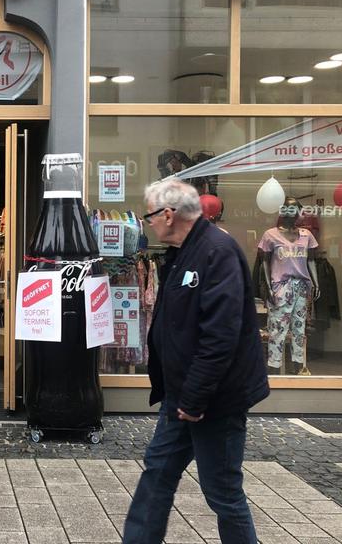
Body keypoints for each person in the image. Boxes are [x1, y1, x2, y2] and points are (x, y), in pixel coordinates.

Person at [122, 178, 269, 544]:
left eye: (149, 215)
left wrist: (194, 399)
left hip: (212, 400)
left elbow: (220, 336)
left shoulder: (216, 252)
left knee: (222, 492)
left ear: (169, 215)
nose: (147, 222)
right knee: (157, 473)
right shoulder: (183, 253)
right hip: (183, 395)